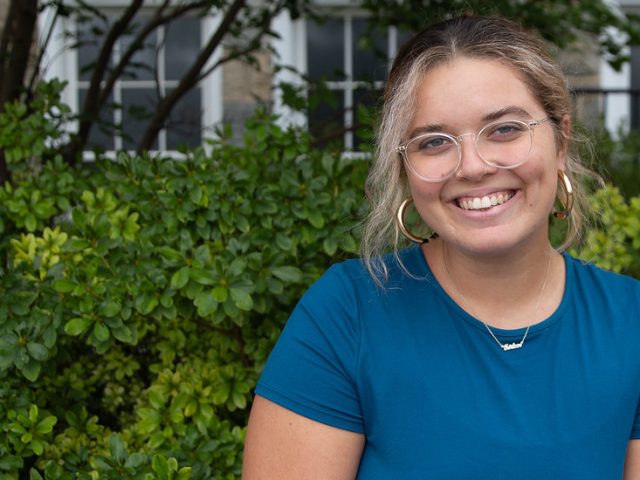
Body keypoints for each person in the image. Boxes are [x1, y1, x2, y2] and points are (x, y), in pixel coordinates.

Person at [242, 15, 640, 479]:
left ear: (560, 138)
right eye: (434, 141)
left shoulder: (631, 323)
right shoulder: (348, 315)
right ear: (405, 168)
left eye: (505, 129)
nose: (472, 166)